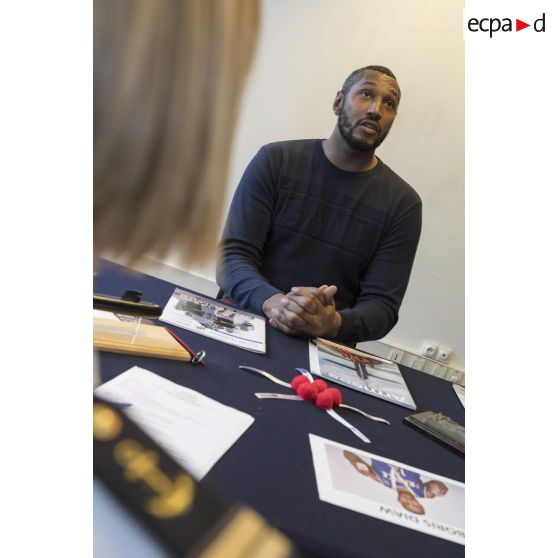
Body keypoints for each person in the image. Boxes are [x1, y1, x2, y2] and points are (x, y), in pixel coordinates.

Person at [217, 65, 422, 345]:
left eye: (389, 103)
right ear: (338, 102)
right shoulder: (276, 160)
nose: (376, 109)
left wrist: (332, 322)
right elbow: (232, 257)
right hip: (246, 320)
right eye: (365, 94)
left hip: (324, 348)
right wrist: (275, 303)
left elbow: (382, 307)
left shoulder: (403, 204)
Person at [343, 450, 448, 515]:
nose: (409, 501)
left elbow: (348, 453)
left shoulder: (382, 481)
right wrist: (439, 488)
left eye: (406, 504)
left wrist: (357, 464)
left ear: (399, 502)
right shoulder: (423, 493)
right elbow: (434, 485)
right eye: (416, 503)